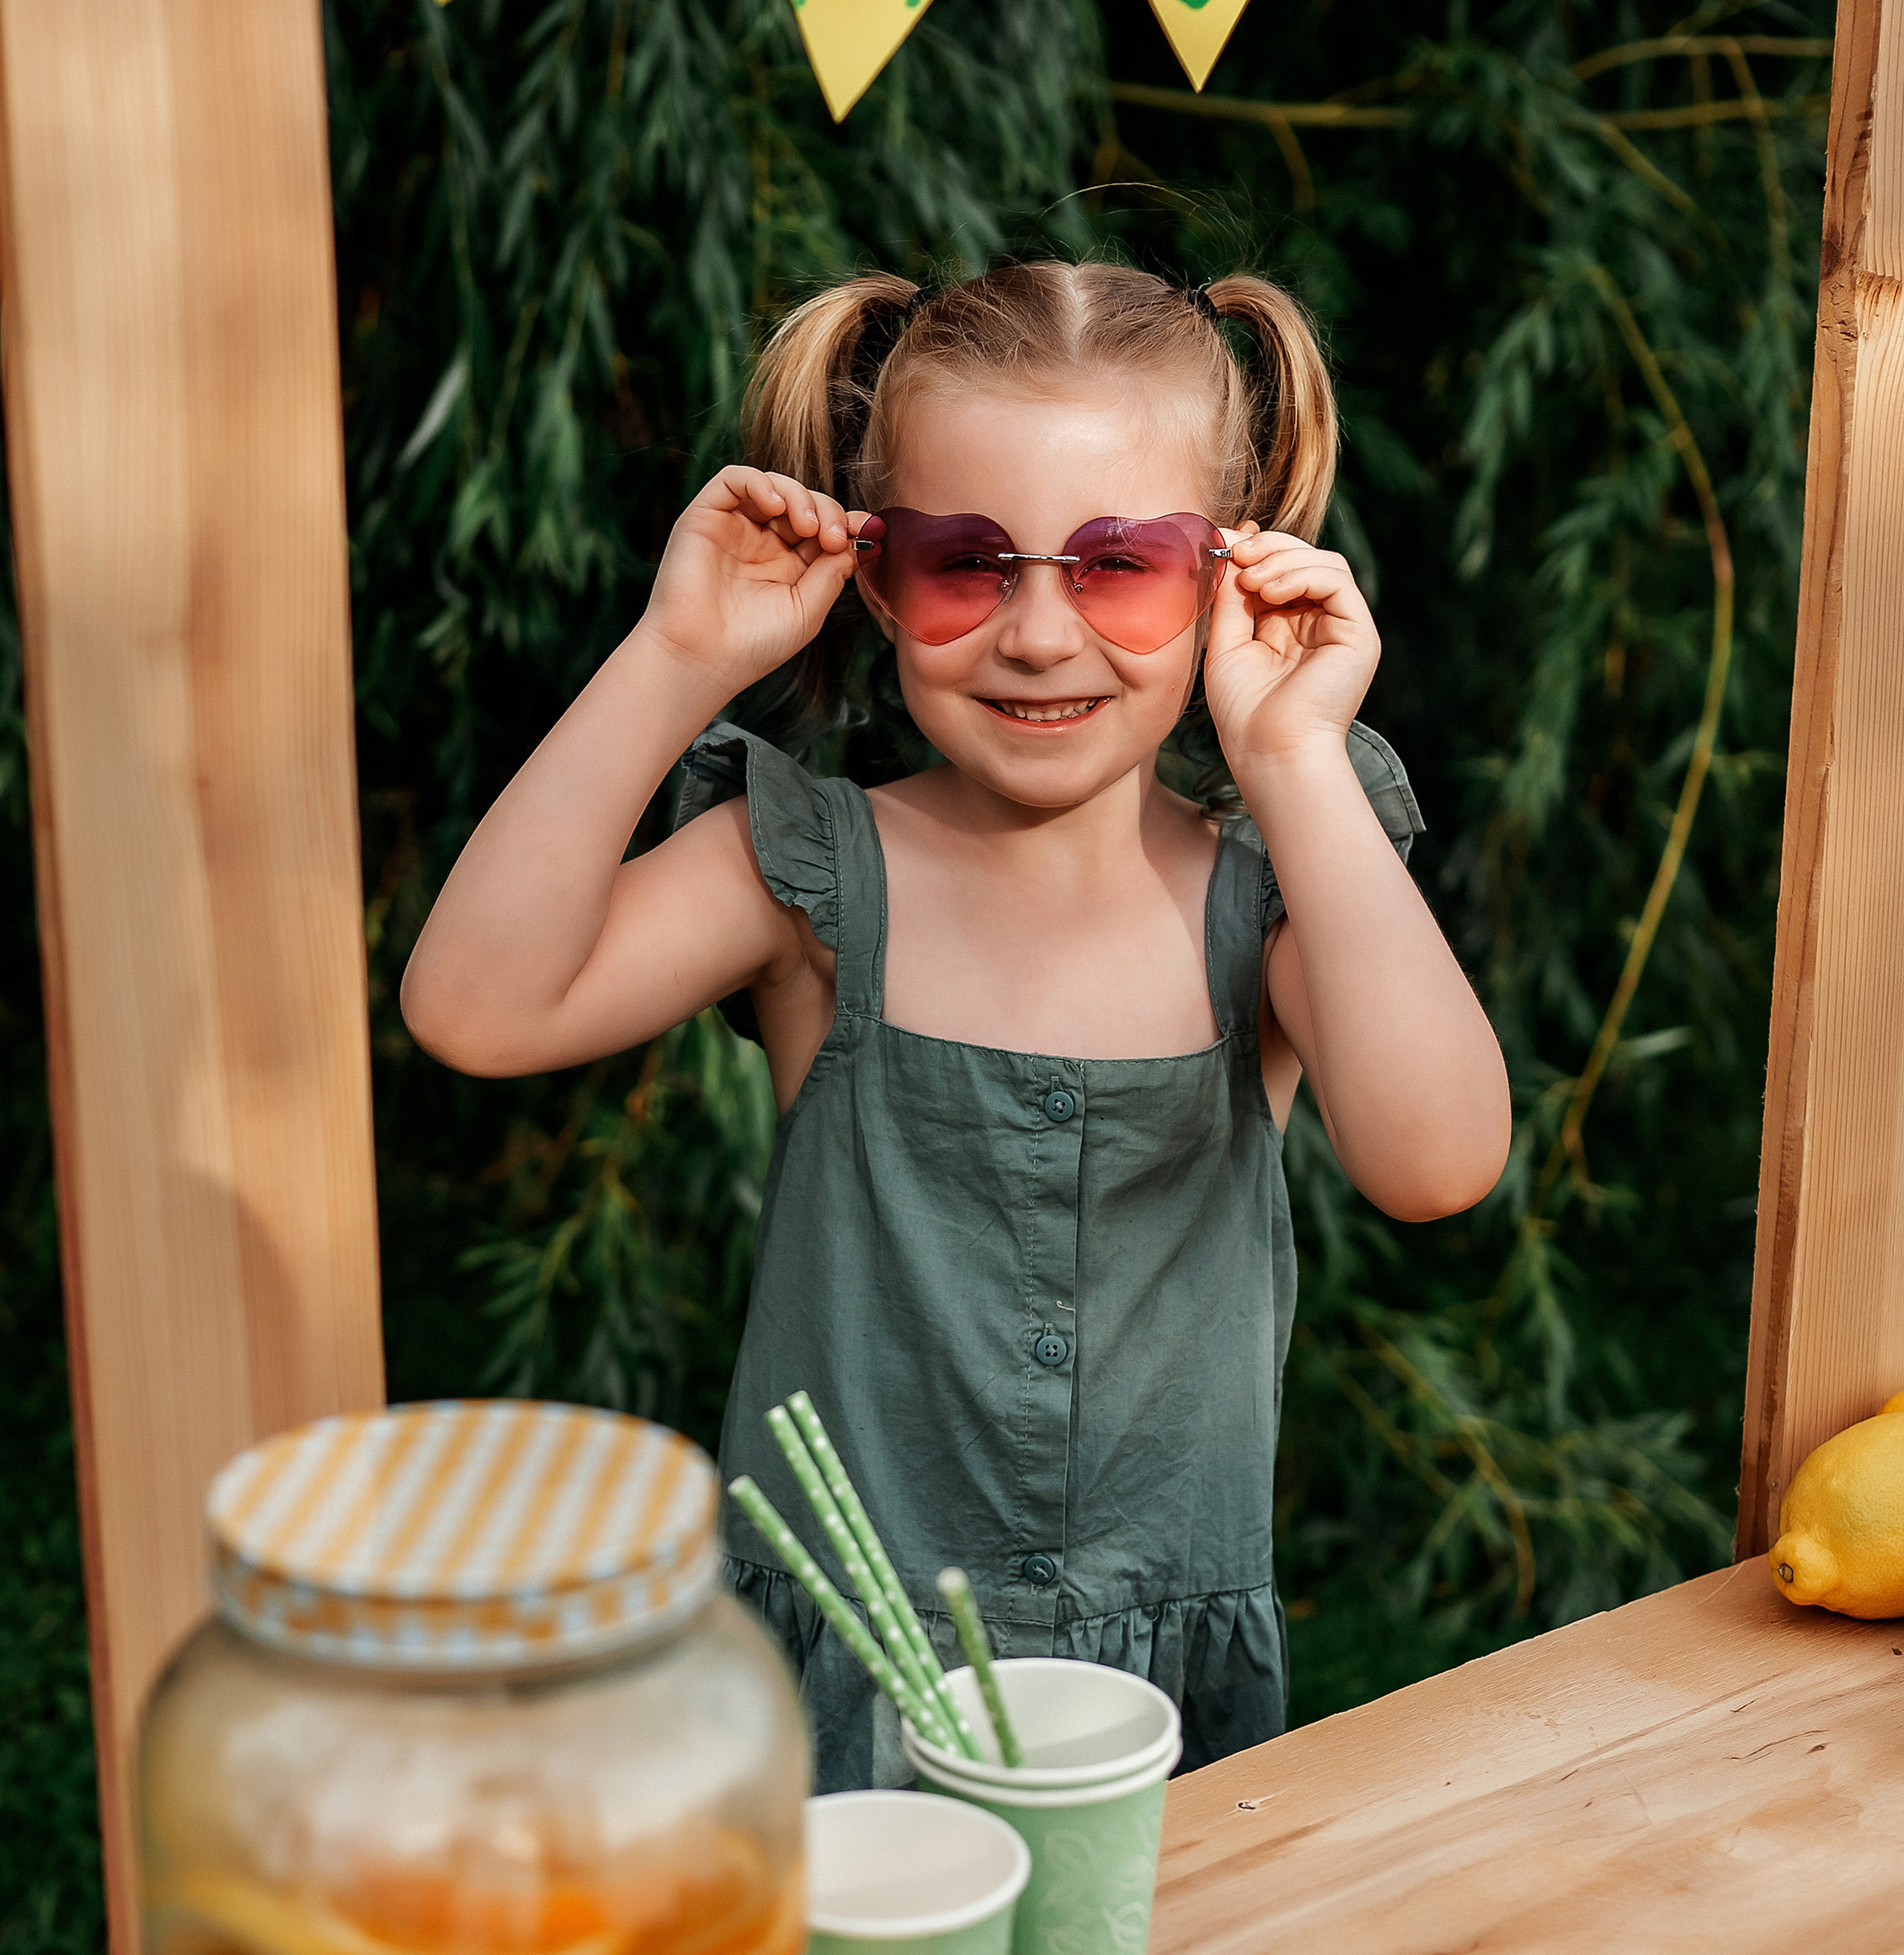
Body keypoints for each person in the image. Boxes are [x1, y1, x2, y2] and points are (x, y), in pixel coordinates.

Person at [402, 259, 1510, 1789]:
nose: (1039, 635)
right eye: (963, 564)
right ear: (874, 575)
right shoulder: (809, 878)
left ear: (1227, 577)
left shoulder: (1270, 903)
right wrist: (677, 657)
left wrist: (1298, 761)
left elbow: (1439, 1156)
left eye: (1119, 565)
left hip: (1159, 1722)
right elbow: (474, 1005)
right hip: (840, 1712)